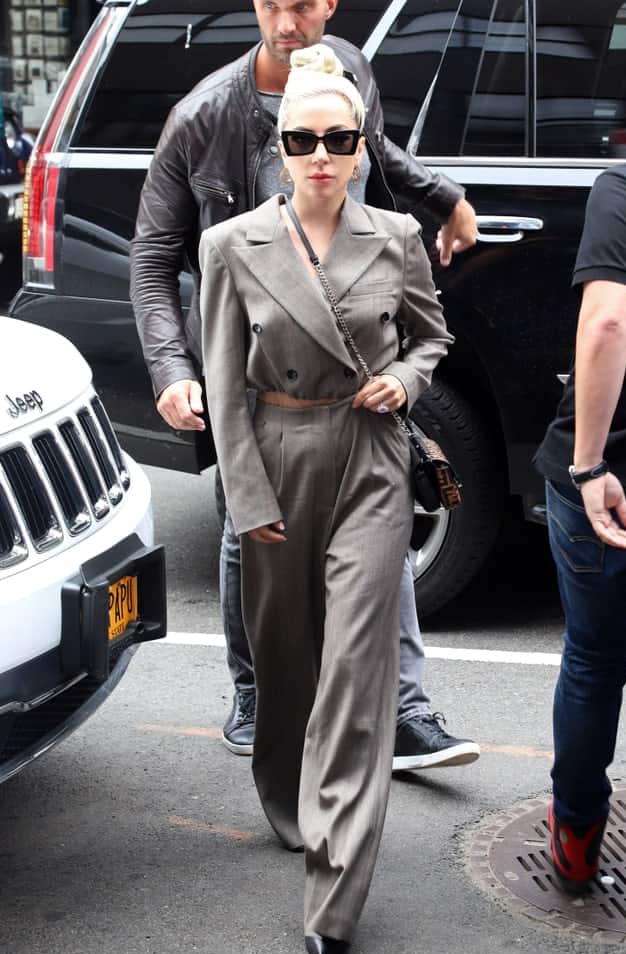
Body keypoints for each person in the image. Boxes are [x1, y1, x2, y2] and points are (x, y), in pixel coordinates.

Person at [130, 0, 480, 771]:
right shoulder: (203, 116)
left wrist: (443, 198)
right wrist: (172, 369)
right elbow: (153, 256)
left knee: (380, 530)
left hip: (349, 346)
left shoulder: (348, 67)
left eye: (303, 4)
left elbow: (376, 152)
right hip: (254, 359)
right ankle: (256, 691)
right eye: (271, 4)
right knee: (246, 525)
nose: (287, 22)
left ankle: (404, 710)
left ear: (329, 2)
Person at [200, 43, 452, 954]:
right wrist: (245, 492)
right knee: (285, 659)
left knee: (355, 674)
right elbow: (224, 387)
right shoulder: (230, 245)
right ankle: (287, 799)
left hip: (370, 462)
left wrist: (403, 379)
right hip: (273, 453)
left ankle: (333, 888)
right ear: (279, 144)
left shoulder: (395, 237)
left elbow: (432, 338)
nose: (319, 155)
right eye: (302, 138)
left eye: (337, 138)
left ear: (358, 145)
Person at [533, 154, 626, 954]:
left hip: (606, 482)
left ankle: (576, 835)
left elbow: (605, 321)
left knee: (590, 658)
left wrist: (588, 466)